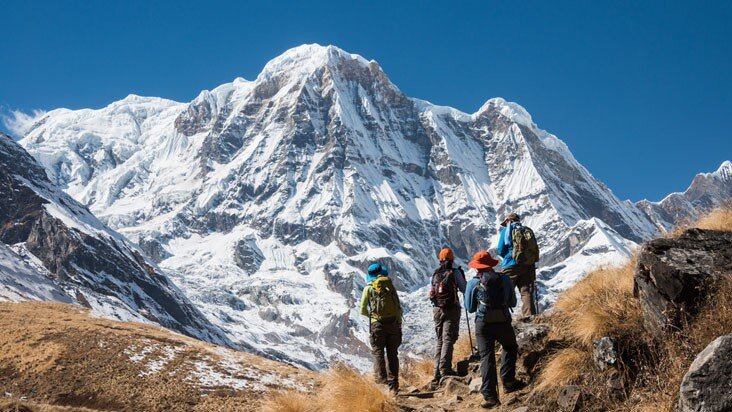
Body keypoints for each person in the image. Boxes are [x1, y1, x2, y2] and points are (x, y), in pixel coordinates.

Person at [465, 251, 525, 408]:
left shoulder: (473, 283)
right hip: (503, 321)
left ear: (477, 268)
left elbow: (470, 308)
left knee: (486, 357)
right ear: (491, 265)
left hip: (483, 324)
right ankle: (509, 382)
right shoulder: (504, 279)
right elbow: (512, 302)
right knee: (510, 347)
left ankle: (491, 397)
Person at [360, 262, 403, 394]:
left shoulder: (369, 288)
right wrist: (398, 323)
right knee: (392, 354)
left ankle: (381, 384)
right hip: (393, 324)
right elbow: (398, 307)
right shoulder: (390, 286)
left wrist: (373, 317)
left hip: (377, 325)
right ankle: (394, 386)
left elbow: (363, 309)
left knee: (378, 352)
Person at [428, 247, 467, 389]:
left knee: (440, 340)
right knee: (448, 339)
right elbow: (464, 288)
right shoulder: (455, 272)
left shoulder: (435, 273)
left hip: (437, 309)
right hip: (451, 308)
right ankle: (445, 370)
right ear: (452, 259)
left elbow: (432, 291)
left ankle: (436, 373)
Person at [496, 212, 539, 318]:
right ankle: (530, 316)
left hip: (510, 265)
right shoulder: (527, 230)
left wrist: (508, 256)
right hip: (527, 265)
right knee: (525, 291)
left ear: (507, 221)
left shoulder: (506, 230)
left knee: (503, 292)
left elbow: (500, 249)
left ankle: (503, 318)